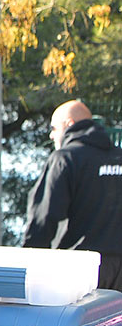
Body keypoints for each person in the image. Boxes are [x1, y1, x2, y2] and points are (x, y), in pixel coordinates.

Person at [22, 99, 122, 289]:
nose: (52, 135)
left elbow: (44, 216)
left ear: (69, 124)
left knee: (83, 319)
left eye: (54, 128)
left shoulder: (65, 159)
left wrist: (28, 265)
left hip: (82, 268)